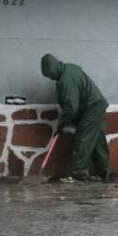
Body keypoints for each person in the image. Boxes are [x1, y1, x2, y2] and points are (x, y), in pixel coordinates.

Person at [40, 53, 113, 182]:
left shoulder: (66, 79)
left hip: (92, 108)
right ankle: (106, 172)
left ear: (53, 70)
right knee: (97, 140)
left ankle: (78, 174)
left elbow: (71, 107)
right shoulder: (68, 69)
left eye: (50, 75)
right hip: (96, 104)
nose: (51, 79)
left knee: (83, 138)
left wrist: (62, 123)